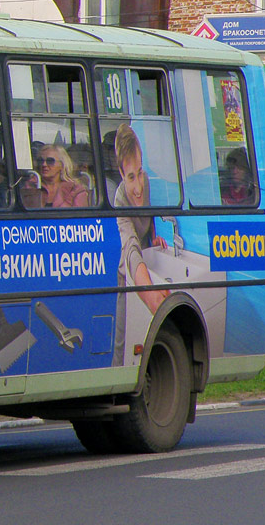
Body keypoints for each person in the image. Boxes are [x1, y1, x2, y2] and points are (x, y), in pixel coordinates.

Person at [112, 123, 169, 367]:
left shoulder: (149, 185)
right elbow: (132, 248)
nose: (138, 187)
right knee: (122, 340)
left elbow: (152, 220)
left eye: (140, 172)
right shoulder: (119, 198)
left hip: (148, 264)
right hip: (129, 269)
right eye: (130, 177)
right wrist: (152, 297)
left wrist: (156, 237)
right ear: (121, 174)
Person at [21, 142, 88, 208]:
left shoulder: (75, 189)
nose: (44, 164)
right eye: (40, 161)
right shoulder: (29, 187)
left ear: (62, 165)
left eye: (50, 161)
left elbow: (80, 217)